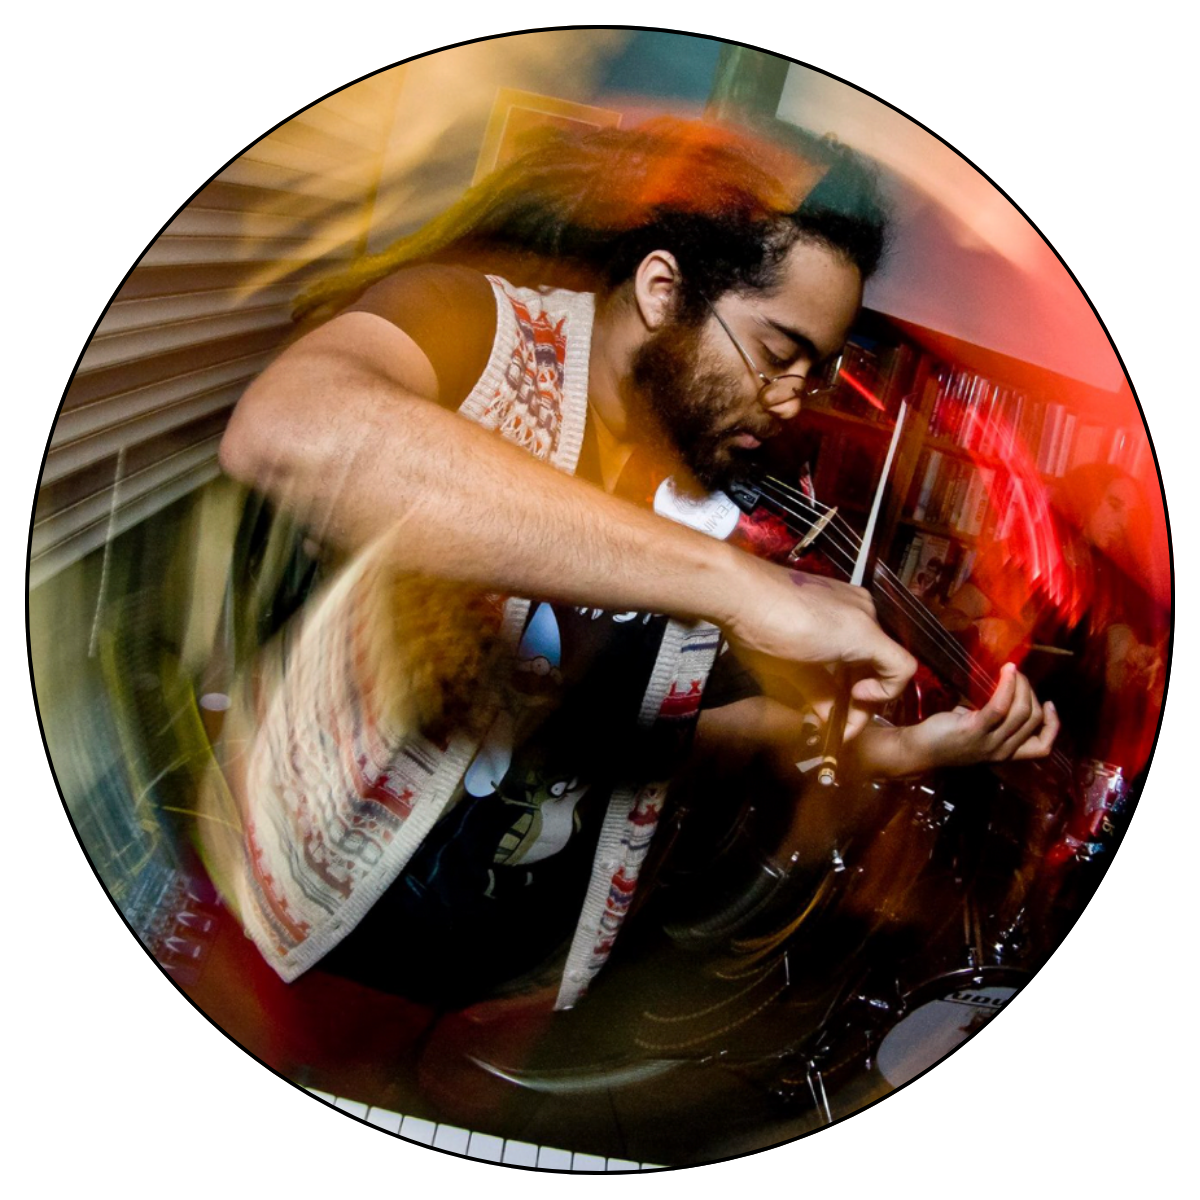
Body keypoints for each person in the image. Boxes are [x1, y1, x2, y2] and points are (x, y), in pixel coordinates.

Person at [202, 118, 1057, 1016]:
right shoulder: (479, 330)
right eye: (777, 356)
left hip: (517, 977)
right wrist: (736, 586)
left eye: (818, 373)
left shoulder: (712, 488)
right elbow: (287, 430)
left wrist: (904, 747)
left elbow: (679, 732)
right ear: (660, 290)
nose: (794, 401)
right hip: (317, 936)